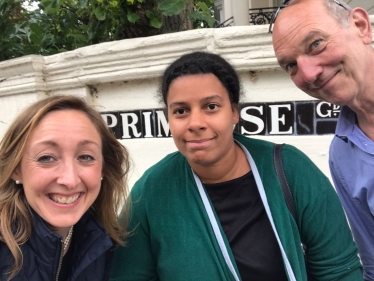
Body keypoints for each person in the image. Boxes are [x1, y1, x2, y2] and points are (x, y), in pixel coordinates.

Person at [110, 51, 362, 281]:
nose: (195, 123)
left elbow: (339, 270)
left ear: (234, 112)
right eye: (181, 111)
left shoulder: (290, 169)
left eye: (211, 107)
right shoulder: (152, 193)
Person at [271, 0, 374, 279]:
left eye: (316, 44)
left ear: (362, 27)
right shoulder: (342, 154)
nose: (308, 74)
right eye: (291, 65)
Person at [0, 95, 130, 281]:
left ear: (104, 168)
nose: (69, 180)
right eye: (46, 158)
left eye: (85, 157)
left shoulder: (107, 243)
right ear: (15, 170)